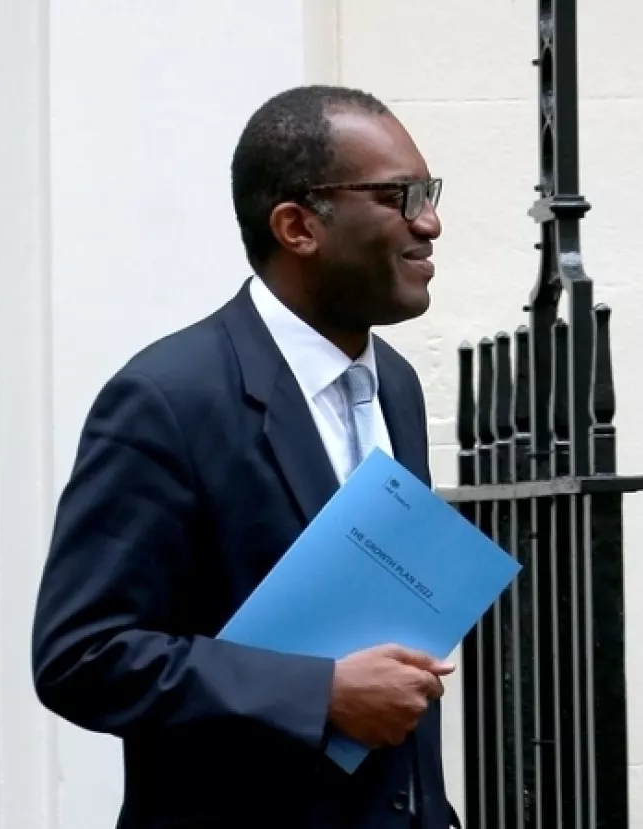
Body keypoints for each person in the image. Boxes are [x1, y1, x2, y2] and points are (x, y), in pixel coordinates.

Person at [31, 84, 458, 829]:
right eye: (398, 195)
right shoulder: (167, 398)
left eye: (426, 192)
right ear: (297, 226)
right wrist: (317, 692)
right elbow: (82, 655)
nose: (428, 221)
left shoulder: (395, 385)